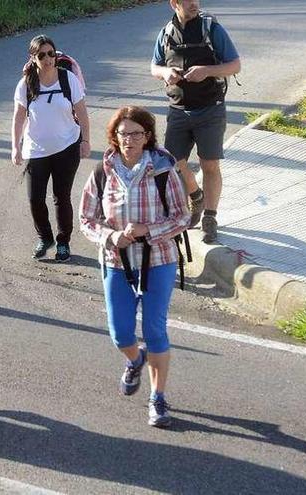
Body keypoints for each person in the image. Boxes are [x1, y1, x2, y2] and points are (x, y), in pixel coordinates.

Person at [79, 106, 190, 428]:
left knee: (155, 330)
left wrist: (148, 231)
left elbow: (182, 216)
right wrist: (112, 236)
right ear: (114, 136)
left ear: (147, 136)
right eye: (123, 133)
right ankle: (135, 359)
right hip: (116, 262)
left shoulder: (163, 170)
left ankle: (158, 398)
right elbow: (86, 219)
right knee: (120, 334)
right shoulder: (102, 172)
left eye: (137, 133)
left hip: (158, 260)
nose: (130, 140)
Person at [150, 0, 240, 243]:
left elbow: (235, 65)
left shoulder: (211, 29)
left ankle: (209, 217)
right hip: (178, 109)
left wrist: (207, 71)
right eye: (188, 0)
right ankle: (196, 196)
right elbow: (154, 65)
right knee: (171, 161)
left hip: (210, 109)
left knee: (209, 165)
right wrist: (165, 73)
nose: (194, 4)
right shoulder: (167, 32)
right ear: (174, 4)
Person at [11, 34, 91, 262]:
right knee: (35, 198)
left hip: (67, 145)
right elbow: (18, 117)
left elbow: (82, 111)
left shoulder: (68, 79)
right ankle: (45, 237)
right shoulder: (26, 84)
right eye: (42, 55)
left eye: (51, 54)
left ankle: (63, 242)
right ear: (33, 58)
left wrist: (86, 141)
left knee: (61, 196)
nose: (48, 59)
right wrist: (15, 147)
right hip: (36, 150)